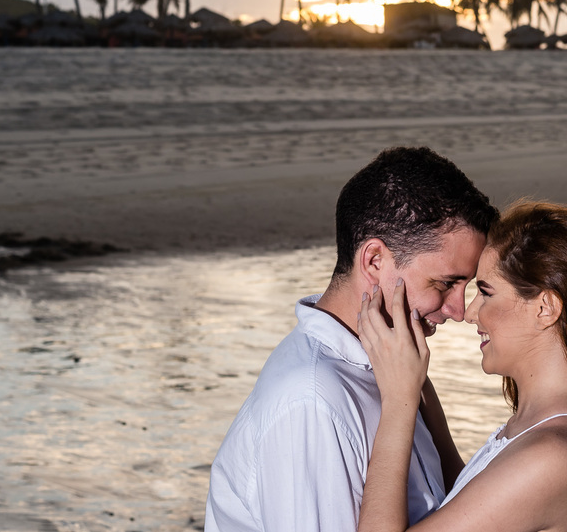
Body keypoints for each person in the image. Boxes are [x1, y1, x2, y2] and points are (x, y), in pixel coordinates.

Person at [205, 147, 498, 532]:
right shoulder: (312, 400)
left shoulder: (390, 368)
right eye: (445, 283)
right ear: (375, 261)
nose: (458, 310)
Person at [357, 200, 567, 532]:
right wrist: (417, 384)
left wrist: (399, 401)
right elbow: (469, 498)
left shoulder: (555, 454)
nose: (469, 313)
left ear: (545, 307)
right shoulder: (540, 424)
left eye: (486, 292)